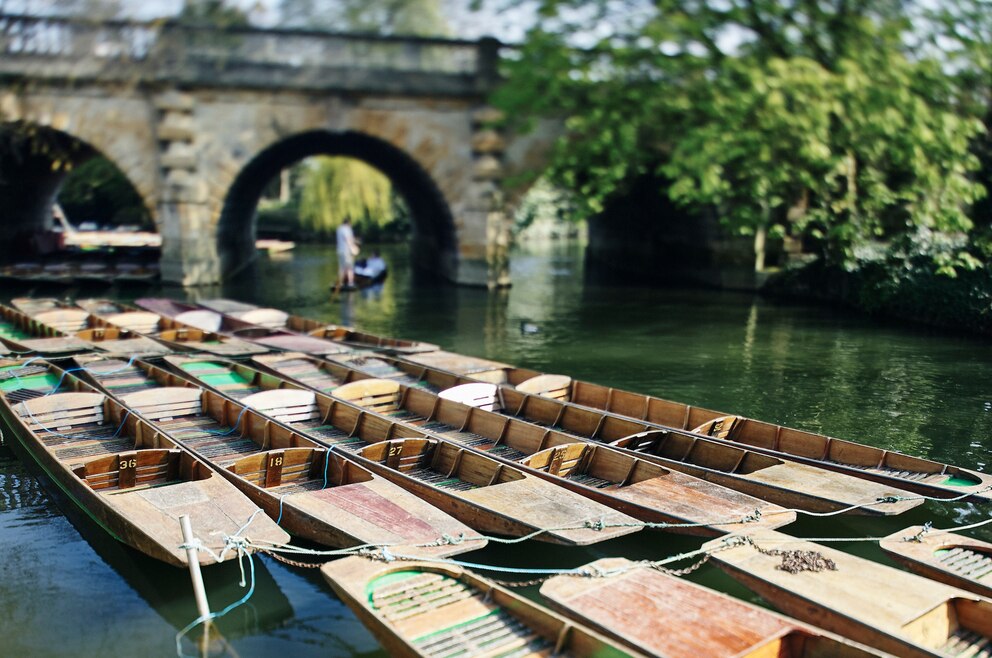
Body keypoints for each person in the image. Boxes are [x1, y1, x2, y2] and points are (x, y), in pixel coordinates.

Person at [335, 218, 359, 289]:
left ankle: (341, 283)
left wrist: (355, 241)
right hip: (347, 251)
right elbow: (348, 239)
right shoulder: (347, 229)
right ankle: (350, 283)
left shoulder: (339, 229)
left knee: (342, 267)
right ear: (348, 223)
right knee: (350, 267)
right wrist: (353, 248)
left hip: (340, 251)